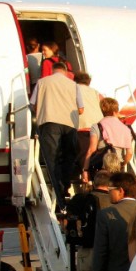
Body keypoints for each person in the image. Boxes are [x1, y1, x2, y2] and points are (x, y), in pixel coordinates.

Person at [31, 62, 84, 209]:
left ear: (53, 71)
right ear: (66, 72)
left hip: (49, 122)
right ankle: (65, 185)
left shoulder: (42, 82)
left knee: (51, 157)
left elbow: (33, 104)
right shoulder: (73, 85)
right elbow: (80, 109)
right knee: (69, 156)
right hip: (69, 124)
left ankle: (57, 191)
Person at [85, 98, 135, 177]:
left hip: (102, 168)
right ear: (116, 111)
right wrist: (122, 164)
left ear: (102, 110)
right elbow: (130, 153)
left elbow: (91, 150)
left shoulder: (97, 126)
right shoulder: (126, 129)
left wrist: (85, 170)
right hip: (118, 167)